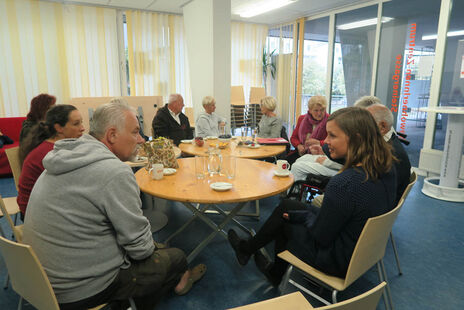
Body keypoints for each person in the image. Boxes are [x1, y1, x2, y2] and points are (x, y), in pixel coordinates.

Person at [23, 101, 206, 310]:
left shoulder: (61, 159)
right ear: (111, 135)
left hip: (41, 282)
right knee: (176, 256)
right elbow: (141, 250)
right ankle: (146, 295)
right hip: (81, 290)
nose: (140, 140)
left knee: (151, 245)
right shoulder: (114, 172)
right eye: (136, 132)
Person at [228, 107, 397, 286]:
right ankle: (247, 249)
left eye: (332, 136)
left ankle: (273, 272)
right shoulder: (386, 167)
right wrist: (305, 214)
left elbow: (320, 236)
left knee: (286, 222)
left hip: (336, 259)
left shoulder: (343, 184)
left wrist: (305, 216)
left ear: (356, 139)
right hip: (364, 251)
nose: (326, 141)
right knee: (287, 206)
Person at [17, 105, 84, 219]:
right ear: (59, 128)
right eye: (76, 124)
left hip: (44, 206)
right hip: (35, 215)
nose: (82, 128)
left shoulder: (56, 147)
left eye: (81, 122)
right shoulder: (51, 154)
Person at [366, 103, 411, 204]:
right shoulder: (390, 142)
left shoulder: (388, 155)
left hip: (379, 206)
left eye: (365, 123)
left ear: (382, 127)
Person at [287, 95, 329, 165]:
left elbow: (332, 142)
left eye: (322, 110)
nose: (319, 113)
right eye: (316, 110)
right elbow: (293, 138)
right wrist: (298, 145)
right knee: (283, 164)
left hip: (319, 157)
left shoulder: (330, 120)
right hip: (301, 153)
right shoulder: (302, 119)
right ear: (310, 110)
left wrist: (319, 143)